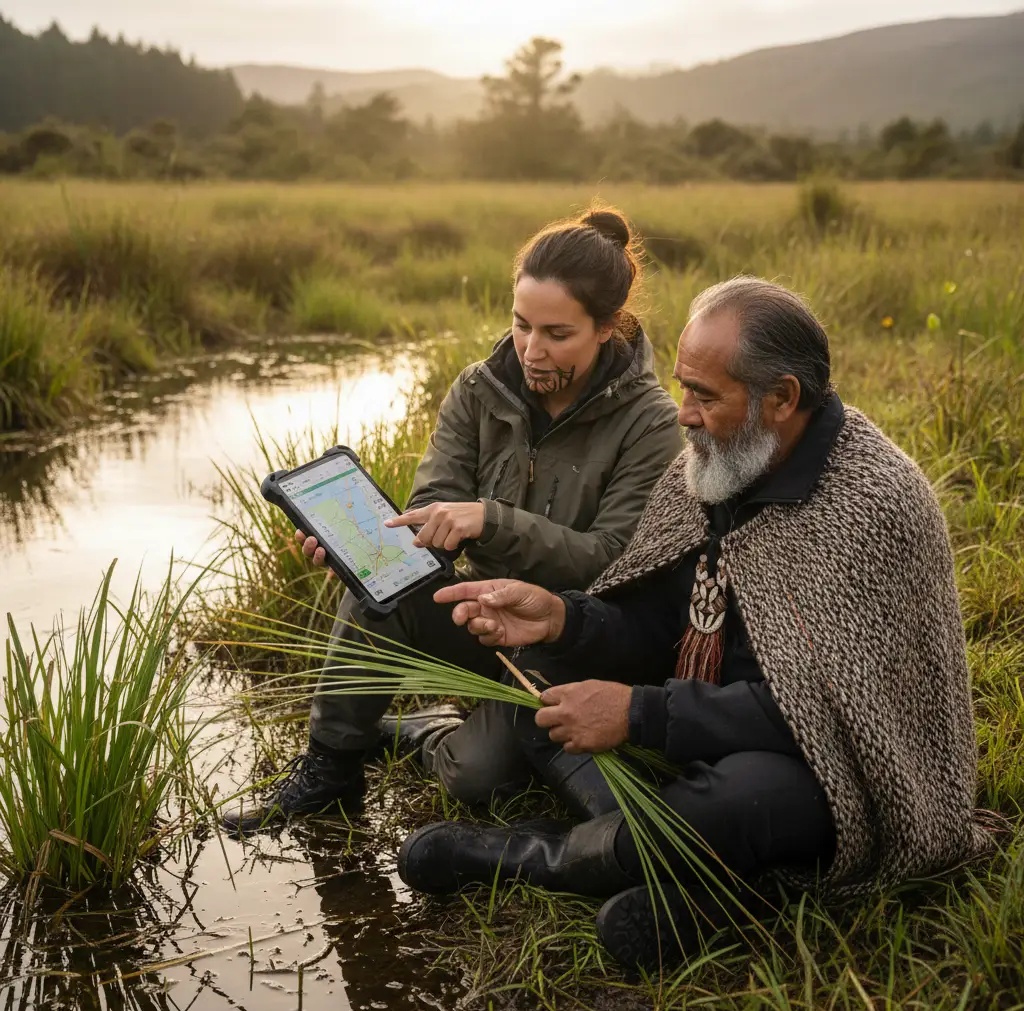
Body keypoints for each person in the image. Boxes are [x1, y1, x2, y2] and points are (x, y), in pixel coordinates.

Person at [397, 276, 990, 969]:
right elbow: (656, 625)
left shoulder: (875, 504)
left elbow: (833, 716)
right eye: (683, 386)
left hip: (824, 770)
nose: (684, 414)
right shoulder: (710, 466)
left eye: (705, 396)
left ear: (782, 398)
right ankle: (708, 886)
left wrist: (639, 715)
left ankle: (541, 854)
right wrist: (563, 618)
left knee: (742, 801)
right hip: (698, 719)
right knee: (539, 671)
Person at [222, 207, 682, 834]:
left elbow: (611, 559)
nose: (531, 350)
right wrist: (359, 547)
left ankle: (426, 729)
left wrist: (491, 521)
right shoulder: (479, 389)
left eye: (557, 333)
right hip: (482, 616)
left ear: (606, 328)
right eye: (521, 325)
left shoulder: (653, 422)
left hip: (574, 641)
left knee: (473, 777)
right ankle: (331, 771)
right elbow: (433, 507)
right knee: (379, 584)